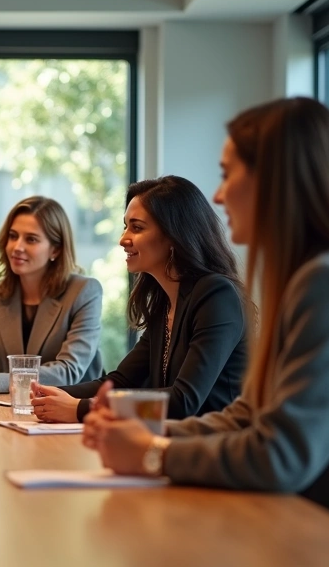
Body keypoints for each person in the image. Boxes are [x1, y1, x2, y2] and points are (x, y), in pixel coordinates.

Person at [79, 97, 329, 567]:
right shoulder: (307, 281)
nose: (217, 193)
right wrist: (149, 437)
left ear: (276, 182)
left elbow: (280, 456)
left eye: (228, 173)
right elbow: (247, 416)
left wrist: (150, 453)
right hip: (316, 533)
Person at [28, 176, 248, 423]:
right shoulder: (165, 303)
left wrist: (82, 408)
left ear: (174, 236)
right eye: (125, 226)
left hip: (213, 452)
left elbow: (183, 401)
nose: (123, 239)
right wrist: (48, 395)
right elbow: (120, 382)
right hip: (171, 445)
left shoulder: (217, 295)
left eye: (137, 227)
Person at [0, 196, 102, 395]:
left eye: (31, 239)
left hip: (72, 413)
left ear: (56, 249)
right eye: (13, 236)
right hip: (8, 410)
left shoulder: (85, 291)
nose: (17, 247)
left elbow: (68, 371)